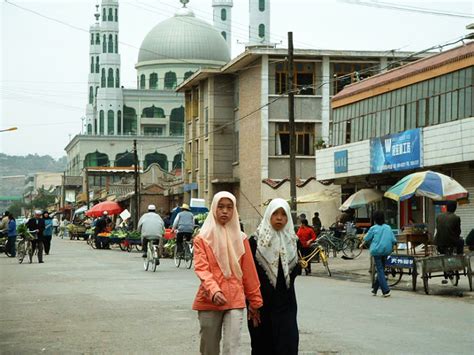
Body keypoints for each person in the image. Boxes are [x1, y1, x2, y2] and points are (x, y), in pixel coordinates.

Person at [192, 191, 262, 355]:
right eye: (221, 207)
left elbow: (249, 273)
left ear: (234, 211)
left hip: (235, 299)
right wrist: (214, 290)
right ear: (214, 208)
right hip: (209, 299)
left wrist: (256, 302)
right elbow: (202, 269)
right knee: (209, 348)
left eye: (229, 207)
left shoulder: (242, 238)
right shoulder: (202, 239)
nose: (225, 211)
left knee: (232, 347)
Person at [248, 198, 301, 355]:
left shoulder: (293, 241)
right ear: (268, 215)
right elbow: (250, 276)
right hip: (261, 304)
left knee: (288, 344)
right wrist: (252, 303)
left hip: (287, 304)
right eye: (275, 213)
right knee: (263, 346)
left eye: (283, 214)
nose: (279, 218)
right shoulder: (255, 242)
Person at [360, 210, 397, 297]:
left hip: (377, 251)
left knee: (380, 270)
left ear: (375, 219)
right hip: (387, 251)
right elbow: (394, 240)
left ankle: (385, 290)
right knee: (381, 269)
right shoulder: (388, 227)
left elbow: (366, 237)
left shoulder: (373, 228)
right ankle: (375, 289)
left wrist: (362, 241)